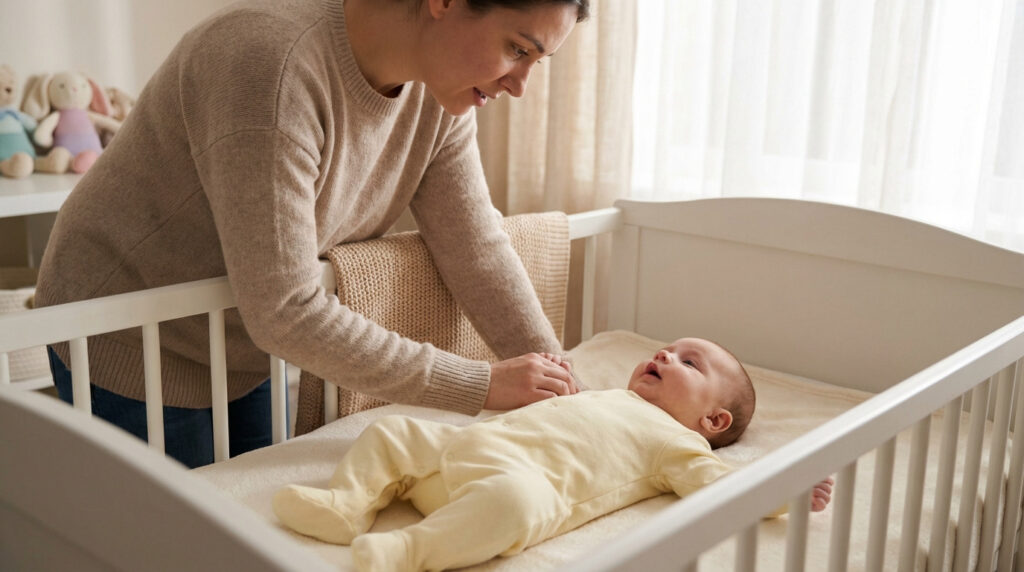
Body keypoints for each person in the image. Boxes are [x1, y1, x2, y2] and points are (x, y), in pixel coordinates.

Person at [35, 0, 589, 468]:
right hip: (125, 331)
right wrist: (479, 384)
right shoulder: (268, 64)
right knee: (175, 543)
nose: (521, 85)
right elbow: (286, 308)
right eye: (518, 50)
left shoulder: (441, 94)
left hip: (240, 337)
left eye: (537, 61)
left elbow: (476, 247)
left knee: (254, 530)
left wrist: (565, 390)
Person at [272, 338, 835, 571]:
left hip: (509, 481)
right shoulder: (606, 394)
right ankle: (347, 504)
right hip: (458, 452)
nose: (666, 354)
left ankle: (407, 551)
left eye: (689, 363)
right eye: (667, 348)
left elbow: (721, 486)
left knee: (514, 504)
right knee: (392, 430)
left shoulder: (678, 443)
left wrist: (787, 490)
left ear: (713, 421)